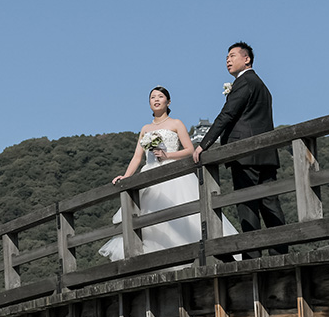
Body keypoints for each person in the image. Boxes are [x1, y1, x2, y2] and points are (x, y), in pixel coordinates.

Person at [99, 87, 238, 261]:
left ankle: (194, 255)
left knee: (183, 214)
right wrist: (126, 177)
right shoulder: (145, 128)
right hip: (149, 175)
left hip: (173, 173)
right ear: (149, 103)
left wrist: (167, 156)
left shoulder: (176, 123)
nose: (156, 99)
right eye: (152, 97)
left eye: (160, 96)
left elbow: (189, 150)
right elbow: (137, 157)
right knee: (149, 220)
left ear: (168, 102)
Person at [193, 42, 287, 255]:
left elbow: (227, 114)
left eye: (233, 55)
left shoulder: (244, 82)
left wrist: (203, 144)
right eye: (227, 56)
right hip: (266, 153)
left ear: (247, 59)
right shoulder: (262, 86)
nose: (228, 60)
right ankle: (280, 252)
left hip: (245, 154)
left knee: (247, 205)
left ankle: (252, 256)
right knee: (270, 203)